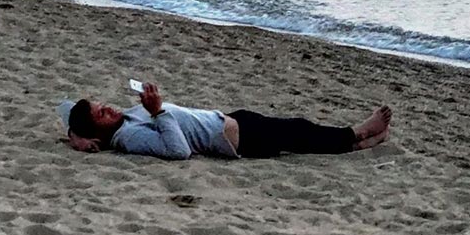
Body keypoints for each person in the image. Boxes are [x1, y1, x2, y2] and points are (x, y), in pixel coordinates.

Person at [58, 83, 391, 160]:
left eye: (105, 105)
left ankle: (358, 141)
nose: (110, 109)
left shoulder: (121, 120)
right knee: (300, 133)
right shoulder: (128, 137)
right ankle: (359, 134)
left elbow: (66, 107)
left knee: (300, 131)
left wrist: (75, 137)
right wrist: (158, 111)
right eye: (102, 114)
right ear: (99, 128)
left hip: (227, 120)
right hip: (234, 139)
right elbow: (177, 152)